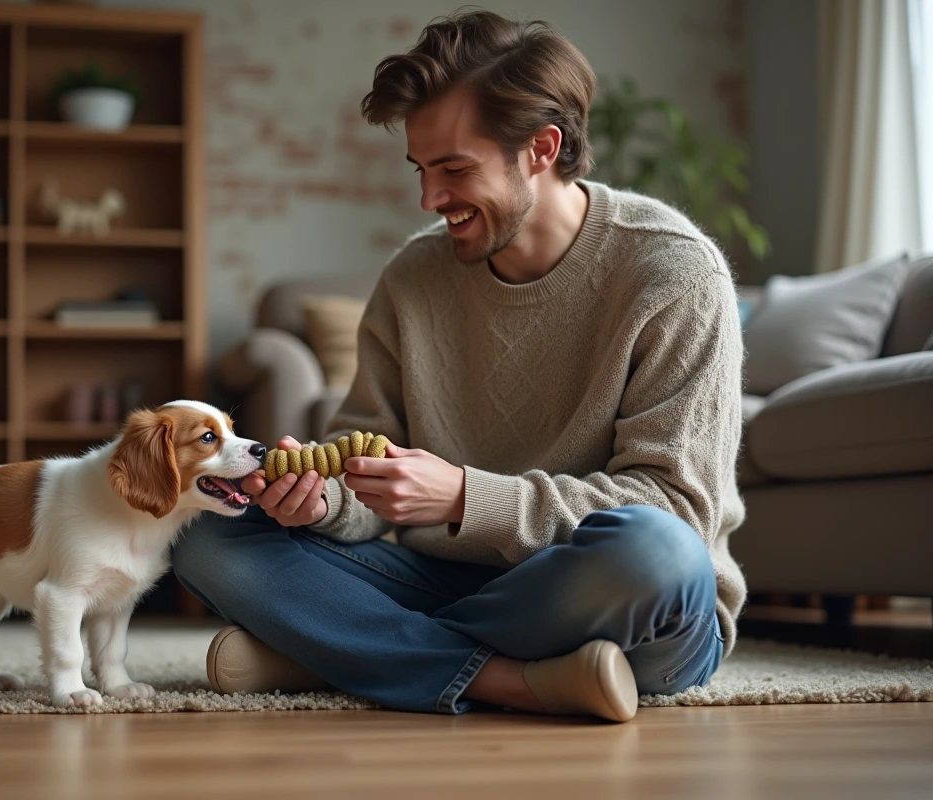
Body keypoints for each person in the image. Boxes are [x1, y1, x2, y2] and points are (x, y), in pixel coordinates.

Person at [172, 9, 745, 723]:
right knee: (199, 527)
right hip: (444, 583)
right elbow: (362, 482)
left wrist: (467, 499)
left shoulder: (674, 274)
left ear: (541, 148)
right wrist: (322, 503)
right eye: (421, 169)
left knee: (657, 554)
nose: (428, 200)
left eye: (453, 169)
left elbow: (678, 513)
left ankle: (335, 652)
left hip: (627, 608)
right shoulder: (413, 279)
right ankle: (500, 677)